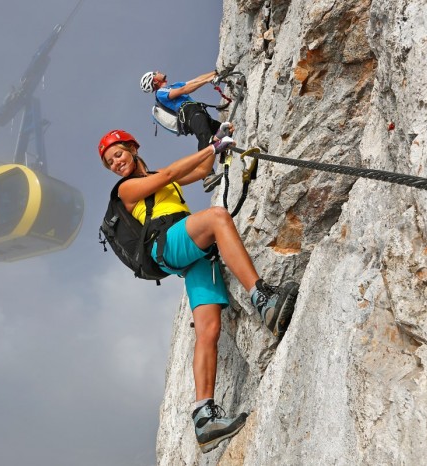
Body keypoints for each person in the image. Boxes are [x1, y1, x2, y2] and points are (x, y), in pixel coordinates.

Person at [97, 128, 299, 454]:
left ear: (133, 148)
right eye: (109, 162)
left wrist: (212, 144)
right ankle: (263, 298)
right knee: (217, 217)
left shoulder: (153, 179)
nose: (115, 164)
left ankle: (204, 417)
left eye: (118, 154)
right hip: (165, 244)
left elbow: (202, 171)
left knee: (208, 329)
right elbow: (171, 172)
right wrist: (215, 146)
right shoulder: (127, 189)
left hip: (187, 252)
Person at [140, 69, 226, 192]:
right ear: (155, 80)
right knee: (204, 136)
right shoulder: (161, 92)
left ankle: (223, 149)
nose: (158, 71)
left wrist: (215, 72)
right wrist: (208, 80)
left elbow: (196, 80)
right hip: (189, 112)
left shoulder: (173, 86)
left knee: (223, 129)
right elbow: (184, 90)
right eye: (155, 73)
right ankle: (207, 176)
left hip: (197, 111)